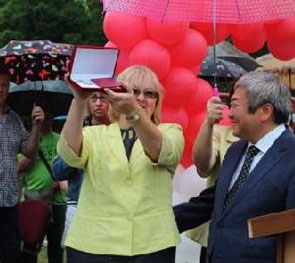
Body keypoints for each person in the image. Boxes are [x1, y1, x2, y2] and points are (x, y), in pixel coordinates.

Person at [174, 71, 295, 263]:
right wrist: (155, 222)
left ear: (265, 111)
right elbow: (213, 202)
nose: (228, 113)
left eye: (234, 105)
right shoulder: (237, 150)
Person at [57, 65, 184, 262]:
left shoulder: (170, 131)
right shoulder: (94, 133)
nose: (140, 98)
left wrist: (134, 113)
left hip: (152, 246)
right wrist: (79, 101)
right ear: (114, 94)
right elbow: (69, 154)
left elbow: (165, 152)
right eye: (132, 92)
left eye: (150, 94)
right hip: (93, 245)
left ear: (157, 101)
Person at [52, 91, 110, 247]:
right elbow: (58, 171)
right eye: (93, 98)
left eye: (103, 98)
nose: (98, 103)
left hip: (111, 207)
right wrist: (78, 145)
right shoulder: (76, 130)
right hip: (78, 204)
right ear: (86, 104)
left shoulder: (121, 133)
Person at [186, 90, 238, 263]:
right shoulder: (220, 132)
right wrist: (208, 123)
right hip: (217, 230)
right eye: (234, 103)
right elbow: (203, 168)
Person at [0, 67, 44, 263]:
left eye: (4, 85)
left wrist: (36, 125)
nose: (0, 89)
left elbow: (29, 151)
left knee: (11, 256)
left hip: (9, 201)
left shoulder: (14, 118)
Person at [18, 112, 66, 263]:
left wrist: (60, 182)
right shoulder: (28, 140)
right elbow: (18, 167)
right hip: (34, 198)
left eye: (48, 117)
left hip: (57, 201)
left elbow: (68, 167)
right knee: (31, 245)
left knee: (56, 244)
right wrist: (32, 148)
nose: (46, 120)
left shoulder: (60, 140)